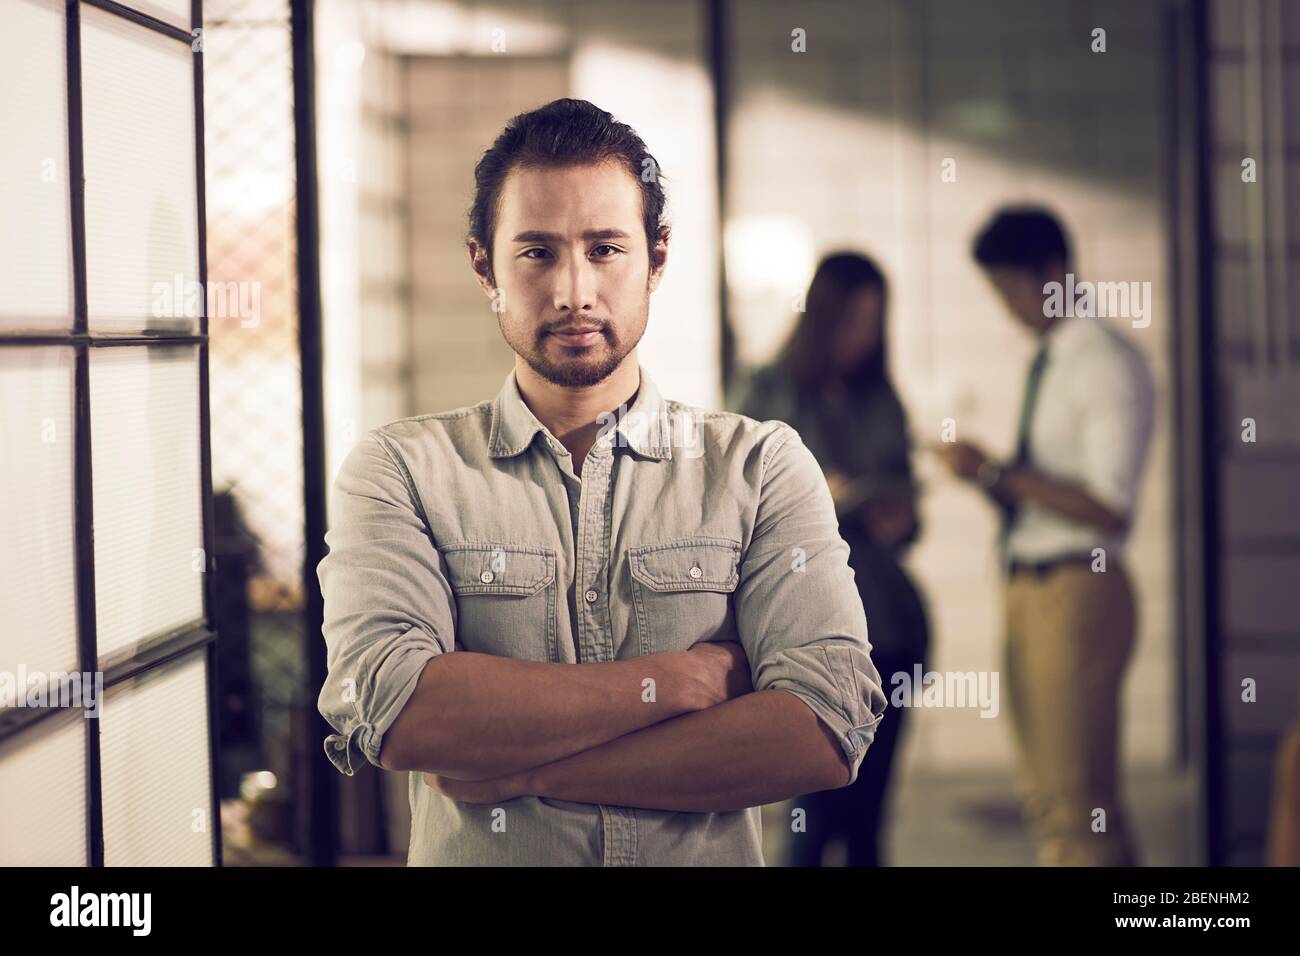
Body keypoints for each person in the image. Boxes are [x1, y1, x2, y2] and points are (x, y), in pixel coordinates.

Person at [315, 98, 888, 866]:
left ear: (656, 259)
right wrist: (680, 682)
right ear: (484, 265)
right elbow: (394, 711)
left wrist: (529, 771)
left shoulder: (759, 466)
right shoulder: (402, 472)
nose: (574, 291)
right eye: (537, 252)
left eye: (606, 248)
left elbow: (825, 725)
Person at [934, 206, 1155, 866]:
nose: (1007, 308)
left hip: (1077, 587)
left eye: (1009, 290)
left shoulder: (1104, 364)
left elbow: (1110, 506)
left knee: (1074, 804)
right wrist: (990, 478)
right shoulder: (1051, 360)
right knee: (1053, 797)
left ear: (1053, 274)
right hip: (1031, 584)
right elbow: (1045, 484)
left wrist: (998, 472)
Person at [732, 252, 929, 866]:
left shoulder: (881, 397)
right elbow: (739, 511)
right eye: (851, 320)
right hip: (807, 628)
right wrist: (829, 499)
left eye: (873, 322)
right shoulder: (767, 389)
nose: (861, 337)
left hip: (889, 620)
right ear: (821, 317)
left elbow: (907, 515)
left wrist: (898, 514)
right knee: (812, 821)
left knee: (869, 823)